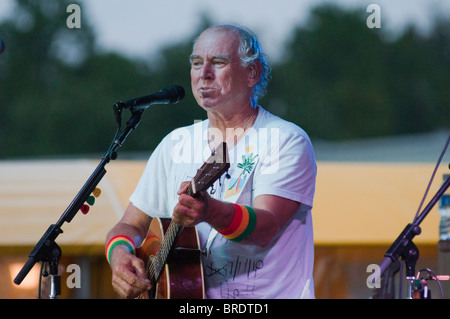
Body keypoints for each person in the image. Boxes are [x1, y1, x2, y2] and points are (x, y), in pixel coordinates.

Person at [105, 24, 317, 299]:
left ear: (252, 73)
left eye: (218, 62)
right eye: (196, 63)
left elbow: (267, 227)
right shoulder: (175, 144)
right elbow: (130, 225)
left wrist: (209, 211)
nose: (204, 74)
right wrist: (120, 255)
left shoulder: (285, 140)